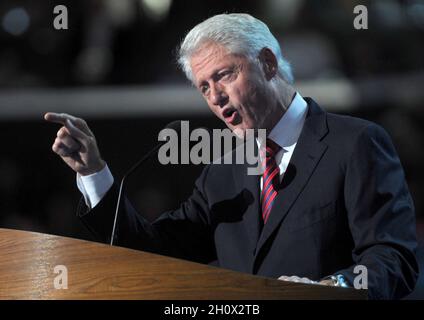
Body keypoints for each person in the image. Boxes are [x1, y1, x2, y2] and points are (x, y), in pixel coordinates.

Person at [45, 13, 418, 299]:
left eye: (223, 76)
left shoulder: (355, 143)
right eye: (204, 87)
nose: (215, 97)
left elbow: (393, 258)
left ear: (268, 64)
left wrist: (328, 289)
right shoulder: (222, 172)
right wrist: (95, 173)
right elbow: (154, 252)